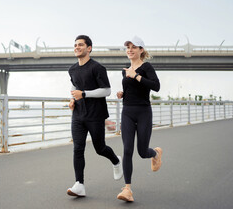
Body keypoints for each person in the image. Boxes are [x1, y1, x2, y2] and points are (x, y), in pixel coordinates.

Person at [67, 35, 123, 197]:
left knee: (100, 148)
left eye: (81, 45)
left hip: (95, 115)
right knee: (78, 149)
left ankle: (116, 161)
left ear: (89, 48)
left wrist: (84, 94)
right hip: (78, 114)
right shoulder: (72, 69)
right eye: (75, 45)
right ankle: (79, 185)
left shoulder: (97, 68)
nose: (77, 47)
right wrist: (72, 99)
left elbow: (106, 90)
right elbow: (74, 85)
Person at [116, 36, 162, 202]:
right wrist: (122, 94)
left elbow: (156, 86)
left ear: (141, 50)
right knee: (127, 149)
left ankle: (155, 153)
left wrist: (136, 76)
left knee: (142, 152)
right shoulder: (125, 70)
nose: (130, 49)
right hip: (127, 112)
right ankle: (127, 189)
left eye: (134, 47)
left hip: (143, 112)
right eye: (128, 47)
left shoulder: (146, 67)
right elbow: (131, 90)